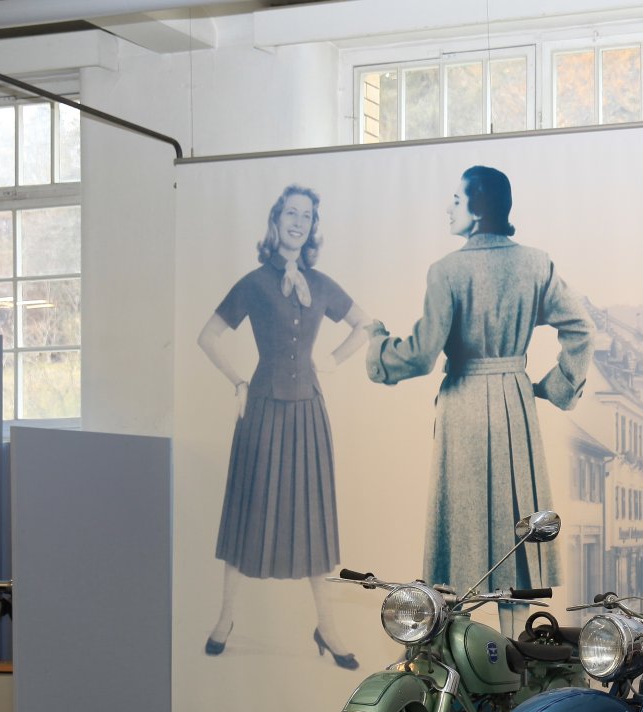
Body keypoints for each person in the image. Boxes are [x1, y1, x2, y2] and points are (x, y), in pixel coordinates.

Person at [366, 165, 593, 634]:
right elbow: (581, 328)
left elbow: (421, 354)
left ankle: (457, 654)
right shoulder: (537, 264)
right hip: (514, 402)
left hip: (464, 404)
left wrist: (379, 347)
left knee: (459, 533)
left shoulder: (447, 271)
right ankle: (518, 649)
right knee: (518, 529)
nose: (448, 208)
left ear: (477, 206)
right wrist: (555, 386)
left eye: (456, 199)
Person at [198, 184, 371, 668]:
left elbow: (366, 325)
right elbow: (208, 336)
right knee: (247, 511)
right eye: (291, 213)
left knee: (313, 518)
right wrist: (237, 381)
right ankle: (226, 617)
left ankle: (327, 627)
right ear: (276, 221)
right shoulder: (254, 283)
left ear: (312, 227)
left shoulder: (321, 283)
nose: (298, 222)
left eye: (306, 216)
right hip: (262, 410)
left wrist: (330, 362)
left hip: (308, 413)